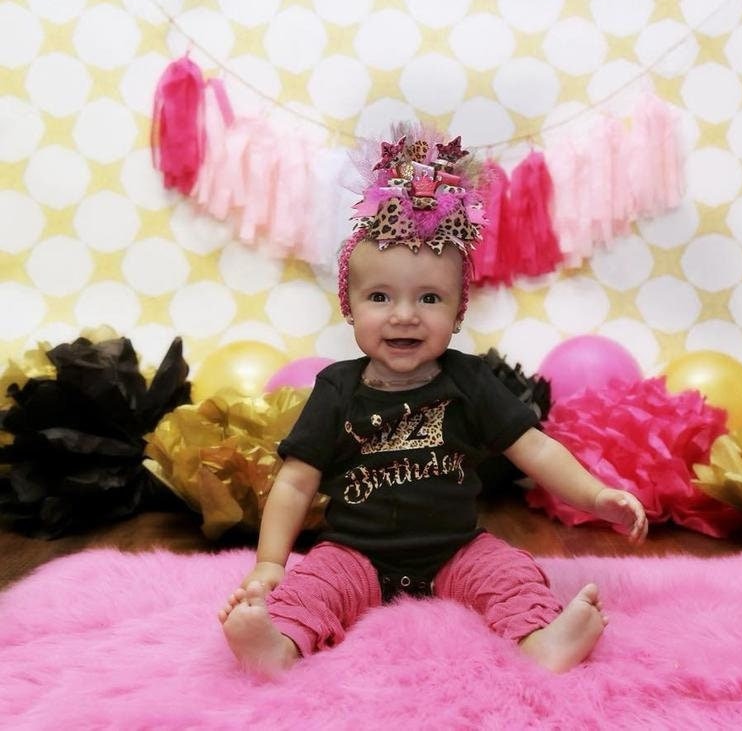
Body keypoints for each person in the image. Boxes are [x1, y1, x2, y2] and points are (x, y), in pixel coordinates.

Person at [218, 125, 648, 676]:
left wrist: (595, 496)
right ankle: (277, 645)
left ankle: (542, 640)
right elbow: (296, 481)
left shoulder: (469, 382)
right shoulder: (336, 390)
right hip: (355, 552)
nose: (404, 315)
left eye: (429, 298)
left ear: (458, 312)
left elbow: (535, 450)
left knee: (511, 573)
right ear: (349, 306)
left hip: (456, 547)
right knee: (313, 586)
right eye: (380, 297)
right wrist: (271, 562)